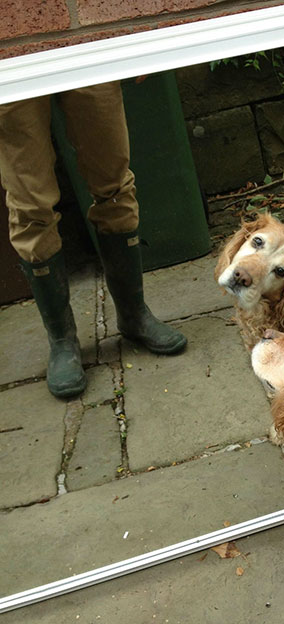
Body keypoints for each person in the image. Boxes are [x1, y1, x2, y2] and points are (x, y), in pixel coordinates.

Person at [0, 81, 187, 399]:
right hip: (9, 68)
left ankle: (133, 315)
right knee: (30, 207)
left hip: (82, 47)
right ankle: (62, 340)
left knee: (114, 186)